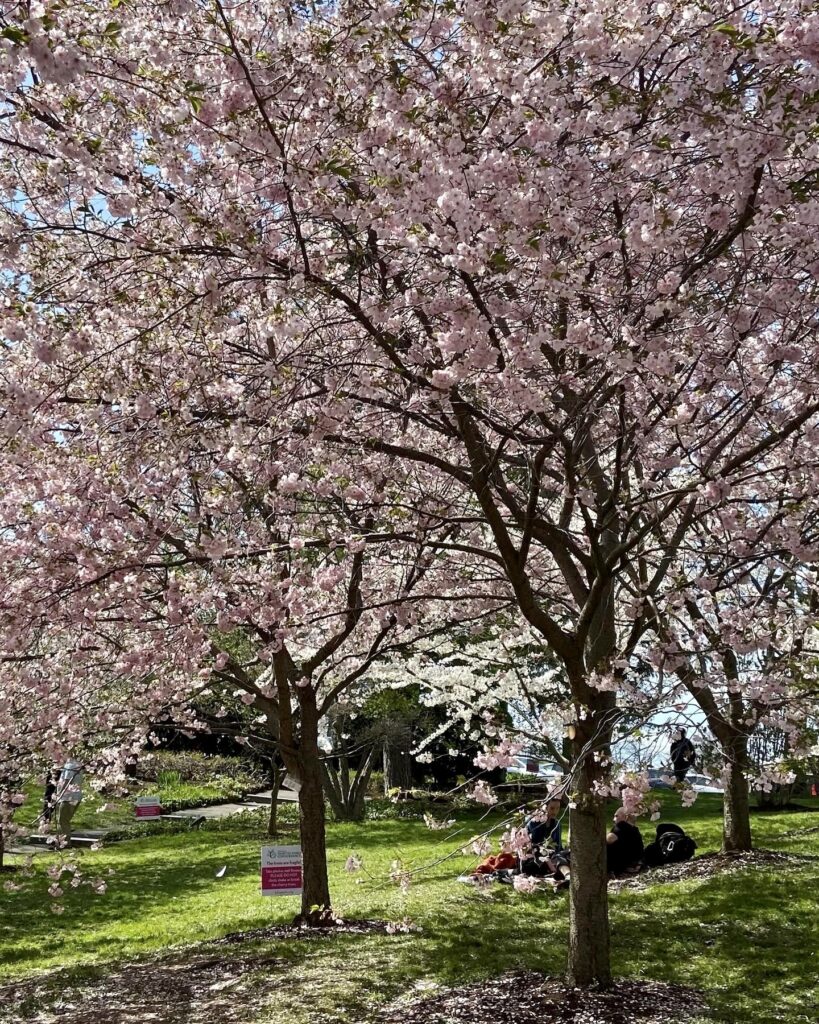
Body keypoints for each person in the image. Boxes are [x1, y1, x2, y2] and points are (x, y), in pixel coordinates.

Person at [606, 808, 644, 876]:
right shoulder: (635, 831)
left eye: (616, 816)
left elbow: (609, 839)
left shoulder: (622, 826)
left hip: (620, 868)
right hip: (633, 866)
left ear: (626, 817)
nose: (613, 819)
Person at [53, 758, 84, 842]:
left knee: (63, 820)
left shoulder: (69, 766)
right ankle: (62, 841)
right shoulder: (78, 765)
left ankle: (65, 842)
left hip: (68, 797)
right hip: (76, 796)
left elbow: (67, 781)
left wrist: (59, 794)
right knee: (65, 820)